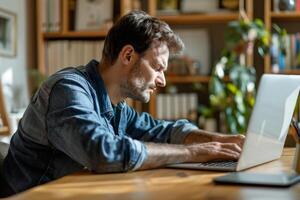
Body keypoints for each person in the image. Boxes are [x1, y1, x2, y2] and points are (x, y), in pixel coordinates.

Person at [1, 11, 244, 196]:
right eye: (158, 68)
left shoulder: (117, 107)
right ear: (128, 55)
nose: (162, 80)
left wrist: (221, 141)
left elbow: (162, 131)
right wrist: (193, 153)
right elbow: (103, 152)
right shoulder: (67, 89)